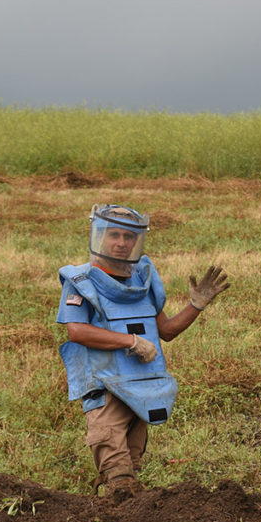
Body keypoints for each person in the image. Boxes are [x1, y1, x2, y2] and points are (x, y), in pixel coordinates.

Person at [56, 204, 229, 498]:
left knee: (131, 470)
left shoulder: (143, 280)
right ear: (99, 236)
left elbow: (166, 331)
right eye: (114, 235)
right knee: (118, 476)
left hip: (140, 388)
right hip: (105, 386)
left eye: (129, 237)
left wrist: (196, 305)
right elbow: (77, 331)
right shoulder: (81, 281)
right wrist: (131, 342)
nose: (121, 243)